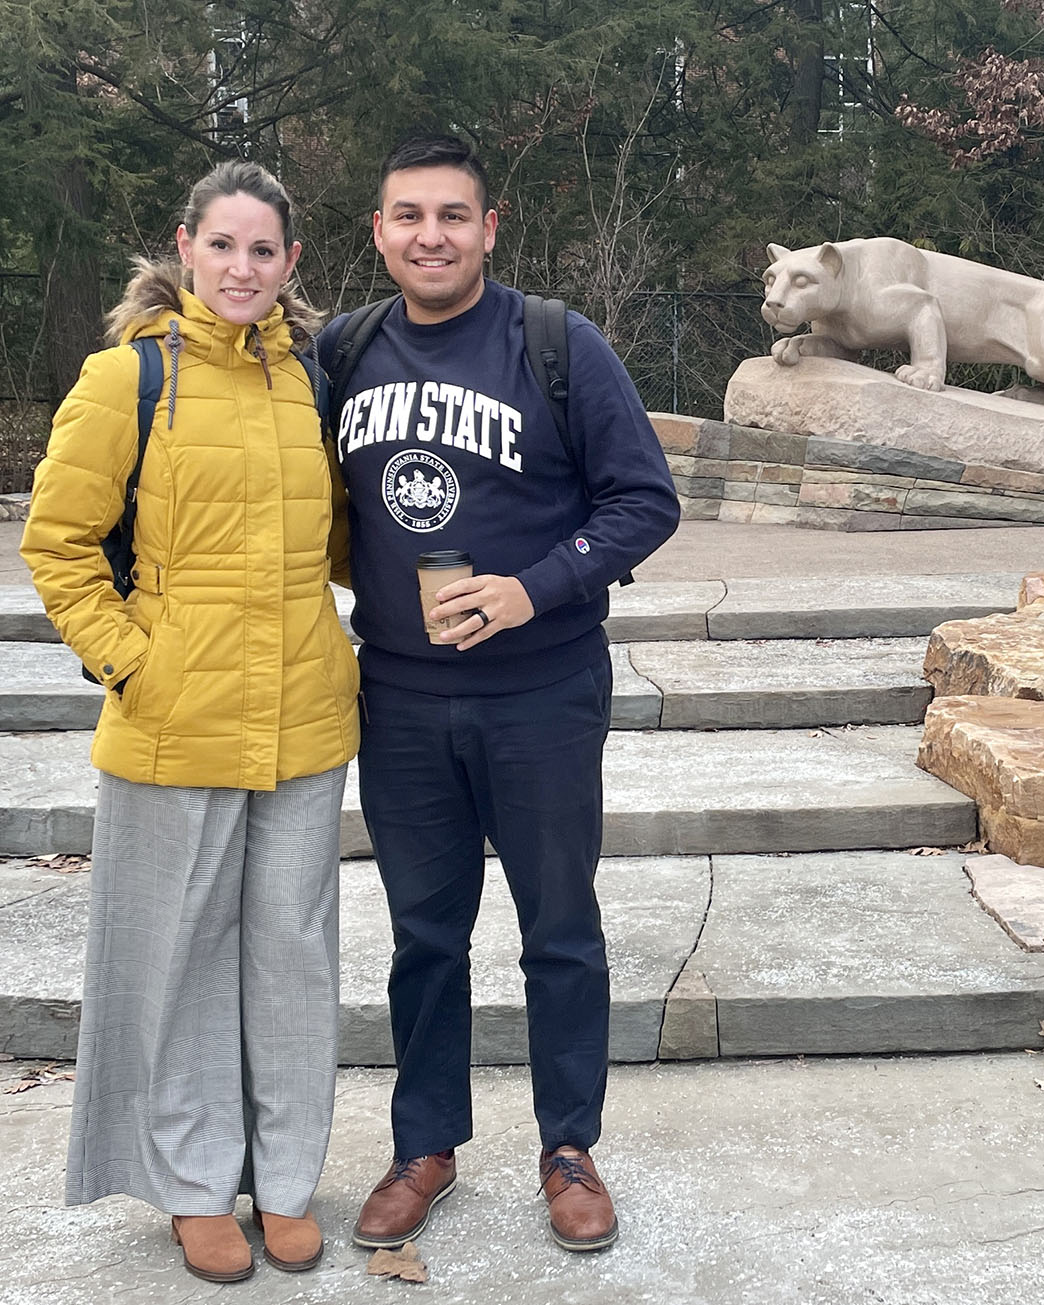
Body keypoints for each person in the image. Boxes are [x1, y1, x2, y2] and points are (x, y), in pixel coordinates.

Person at [317, 133, 681, 1255]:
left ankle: (568, 1146)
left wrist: (534, 589)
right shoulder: (344, 350)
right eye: (408, 215)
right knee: (425, 934)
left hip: (542, 690)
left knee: (558, 929)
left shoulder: (557, 344)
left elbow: (643, 502)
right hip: (402, 697)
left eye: (452, 215)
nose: (431, 235)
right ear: (378, 232)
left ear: (489, 225)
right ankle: (425, 1142)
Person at [20, 159, 358, 1285]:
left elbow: (343, 541)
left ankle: (289, 1178)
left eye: (264, 250)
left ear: (291, 262)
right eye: (223, 246)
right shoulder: (128, 379)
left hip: (304, 721)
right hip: (175, 724)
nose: (243, 268)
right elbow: (57, 545)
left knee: (294, 963)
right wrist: (131, 665)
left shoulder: (313, 381)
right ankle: (196, 1186)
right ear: (184, 247)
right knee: (180, 966)